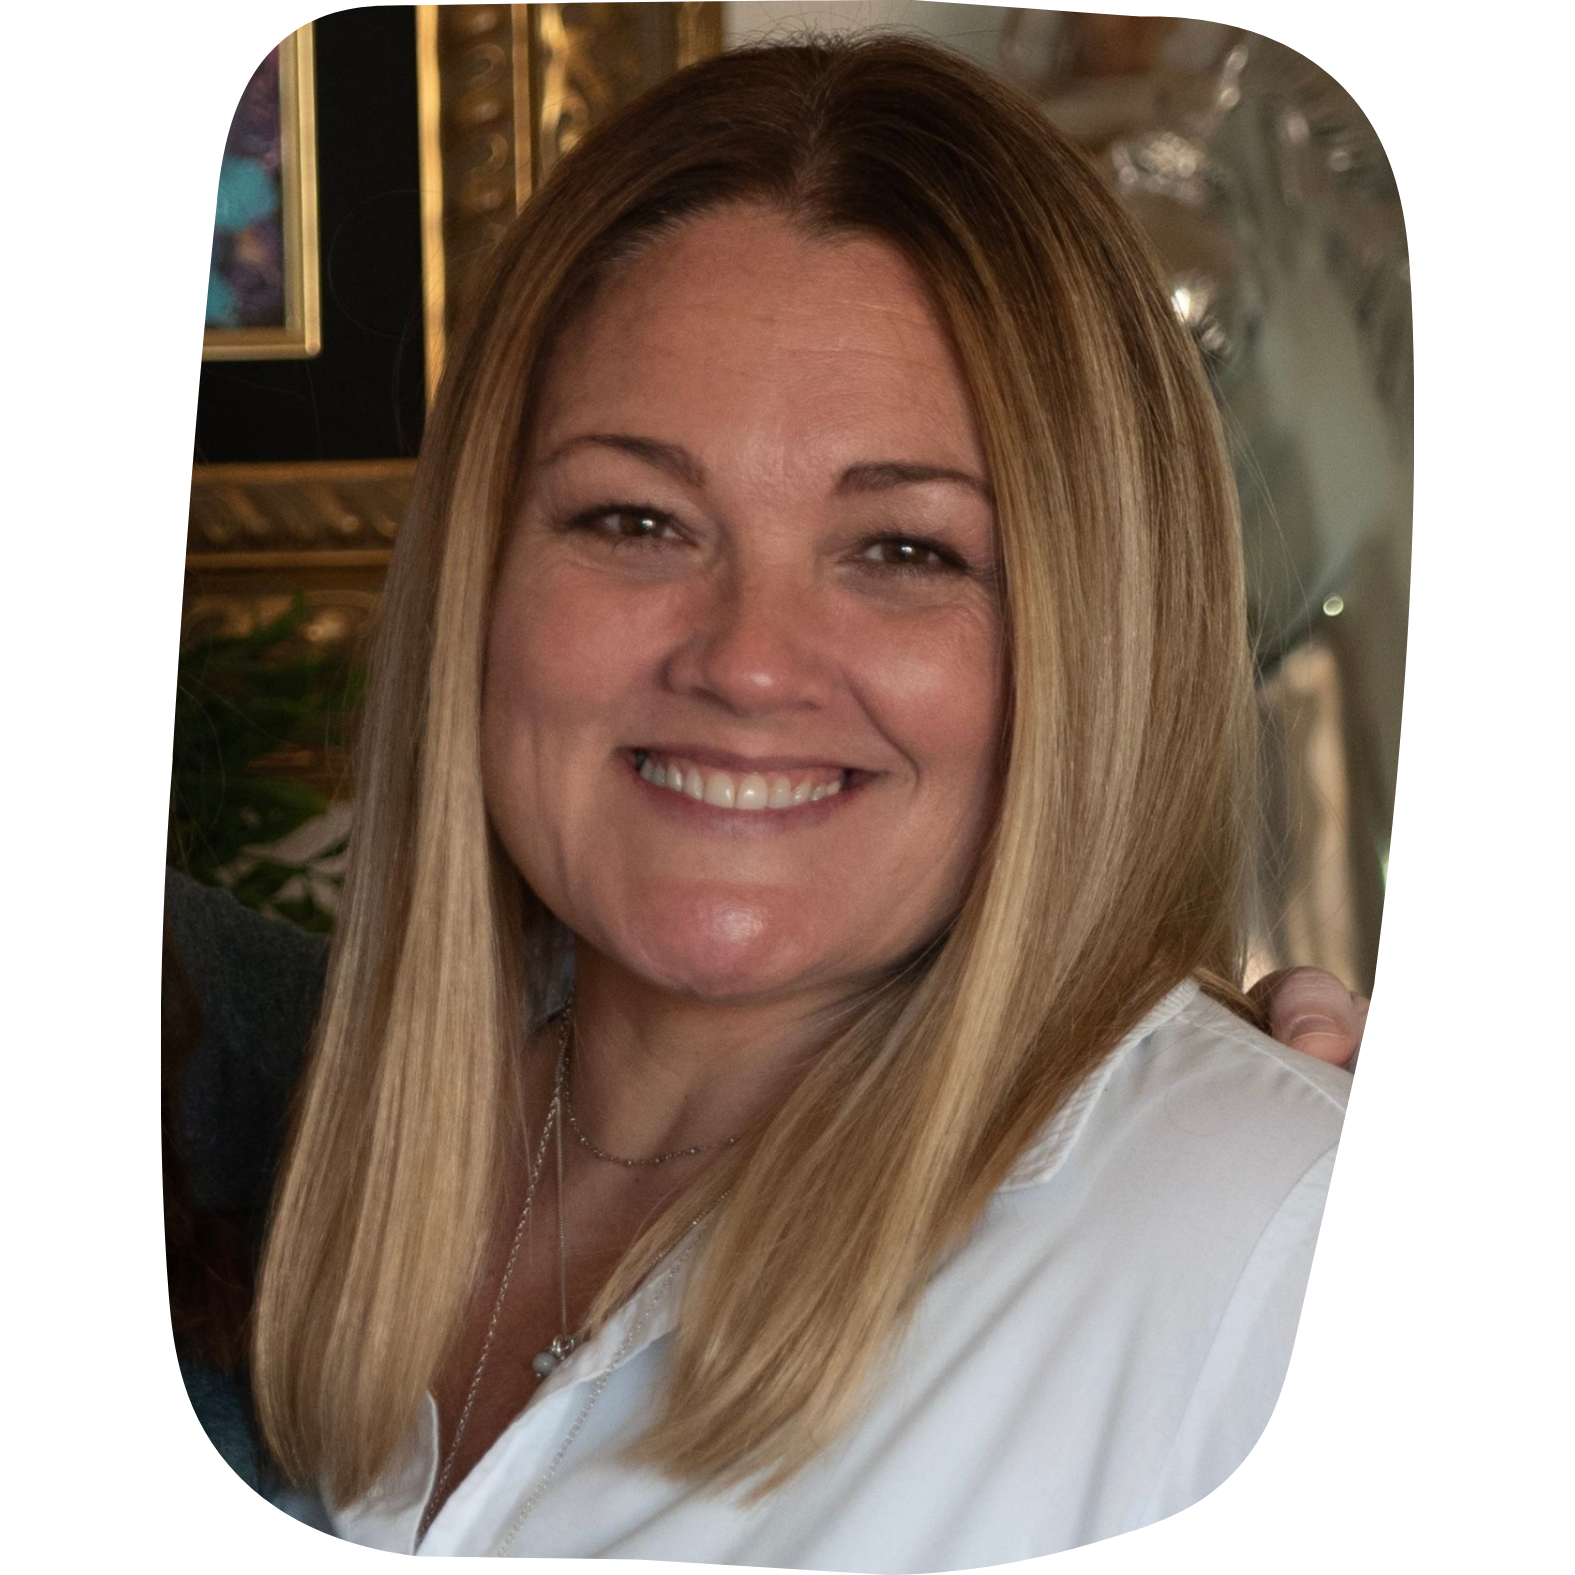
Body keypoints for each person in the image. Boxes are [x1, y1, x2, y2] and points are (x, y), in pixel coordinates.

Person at [206, 30, 1382, 1570]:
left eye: (903, 550)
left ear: (1092, 633)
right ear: (479, 584)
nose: (749, 662)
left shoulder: (1295, 1250)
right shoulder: (272, 1151)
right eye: (634, 519)